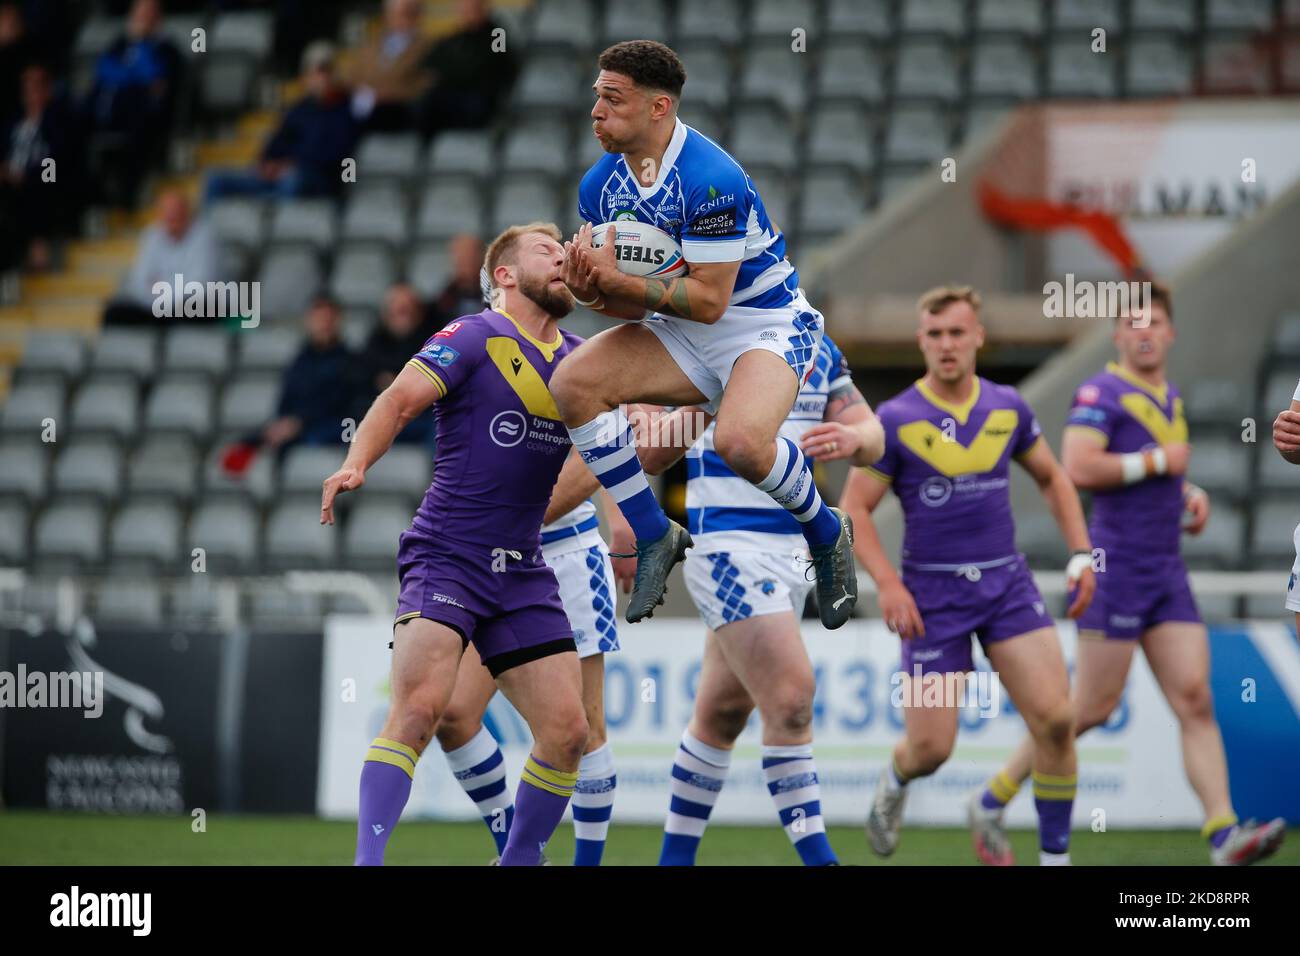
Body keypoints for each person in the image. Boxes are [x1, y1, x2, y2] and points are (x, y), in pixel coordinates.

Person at [550, 40, 857, 630]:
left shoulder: (710, 178)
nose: (597, 112)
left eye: (613, 99)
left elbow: (713, 302)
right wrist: (588, 288)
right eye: (597, 97)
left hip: (763, 323)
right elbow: (628, 310)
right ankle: (652, 532)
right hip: (682, 326)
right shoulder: (599, 186)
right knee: (573, 384)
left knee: (739, 445)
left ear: (659, 107)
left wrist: (615, 279)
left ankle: (825, 529)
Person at [979, 285, 1286, 866]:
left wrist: (1186, 494)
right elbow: (1077, 465)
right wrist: (1157, 464)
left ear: (1170, 333)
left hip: (1166, 568)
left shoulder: (1166, 394)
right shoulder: (1102, 390)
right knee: (1086, 709)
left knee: (1194, 699)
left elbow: (1158, 472)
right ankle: (992, 799)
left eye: (1155, 323)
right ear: (1118, 334)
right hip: (1114, 567)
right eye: (1133, 322)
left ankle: (1223, 836)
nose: (1144, 332)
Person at [320, 222, 593, 867]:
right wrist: (357, 461)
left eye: (564, 251)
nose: (562, 259)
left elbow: (616, 445)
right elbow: (396, 401)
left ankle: (518, 860)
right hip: (450, 552)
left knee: (568, 732)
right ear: (504, 275)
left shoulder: (583, 359)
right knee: (418, 711)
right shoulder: (475, 335)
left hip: (523, 566)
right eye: (545, 252)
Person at [839, 285, 1096, 866]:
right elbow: (854, 511)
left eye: (957, 333)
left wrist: (1082, 554)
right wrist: (890, 585)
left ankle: (1055, 859)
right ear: (921, 341)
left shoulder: (1009, 407)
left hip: (1007, 588)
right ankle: (897, 779)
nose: (946, 345)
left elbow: (1055, 480)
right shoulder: (896, 419)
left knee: (1057, 719)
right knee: (932, 749)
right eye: (934, 335)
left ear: (978, 336)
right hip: (931, 602)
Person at [644, 335, 884, 866]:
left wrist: (854, 437)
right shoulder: (713, 341)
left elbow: (874, 437)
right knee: (793, 701)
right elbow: (657, 451)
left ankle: (672, 861)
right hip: (729, 547)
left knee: (721, 715)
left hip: (796, 552)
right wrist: (698, 406)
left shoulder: (814, 343)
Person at [433, 485, 633, 866]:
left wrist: (622, 520)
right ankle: (518, 854)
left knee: (586, 728)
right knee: (453, 715)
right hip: (496, 564)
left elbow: (604, 437)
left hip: (566, 555)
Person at [203, 41, 358, 204]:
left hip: (318, 180)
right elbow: (276, 143)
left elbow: (337, 156)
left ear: (335, 73)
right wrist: (268, 164)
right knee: (216, 179)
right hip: (283, 175)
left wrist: (292, 164)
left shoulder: (347, 110)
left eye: (325, 71)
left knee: (292, 180)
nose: (321, 78)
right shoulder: (299, 109)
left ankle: (268, 219)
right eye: (314, 72)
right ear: (305, 76)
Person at [84, 0, 181, 207]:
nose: (142, 20)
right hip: (104, 110)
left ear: (158, 20)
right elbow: (103, 71)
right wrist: (133, 76)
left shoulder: (168, 49)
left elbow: (158, 83)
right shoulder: (118, 44)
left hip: (139, 115)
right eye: (138, 14)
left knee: (139, 128)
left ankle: (128, 197)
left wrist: (141, 47)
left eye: (148, 15)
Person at [0, 62, 81, 271]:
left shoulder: (58, 120)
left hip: (43, 178)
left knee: (41, 188)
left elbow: (57, 157)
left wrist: (28, 175)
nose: (30, 92)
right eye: (27, 86)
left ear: (48, 90)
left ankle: (37, 247)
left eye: (36, 86)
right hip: (10, 179)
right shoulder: (14, 122)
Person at [103, 188, 221, 326]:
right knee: (114, 313)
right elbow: (140, 280)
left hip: (190, 307)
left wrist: (161, 288)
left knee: (196, 308)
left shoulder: (205, 236)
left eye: (177, 215)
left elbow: (199, 285)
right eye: (169, 215)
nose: (173, 220)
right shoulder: (151, 236)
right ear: (160, 214)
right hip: (155, 305)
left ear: (187, 213)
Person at [415, 0, 517, 140]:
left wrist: (452, 71)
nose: (468, 12)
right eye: (465, 7)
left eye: (473, 7)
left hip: (480, 95)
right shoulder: (454, 38)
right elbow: (430, 66)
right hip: (451, 93)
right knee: (423, 105)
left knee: (474, 106)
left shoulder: (497, 34)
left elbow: (492, 64)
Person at [354, 284, 438, 446]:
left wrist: (399, 383)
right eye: (398, 310)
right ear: (386, 314)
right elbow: (359, 378)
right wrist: (378, 381)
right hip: (382, 414)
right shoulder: (374, 342)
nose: (403, 316)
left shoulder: (433, 341)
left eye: (408, 310)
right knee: (348, 427)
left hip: (421, 417)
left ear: (419, 313)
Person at [346, 0, 431, 131]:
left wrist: (385, 94)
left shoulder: (427, 47)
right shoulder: (370, 46)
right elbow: (352, 76)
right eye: (396, 14)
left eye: (407, 14)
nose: (401, 19)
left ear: (418, 16)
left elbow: (425, 84)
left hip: (401, 112)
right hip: (365, 112)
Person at [428, 233, 487, 328]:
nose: (467, 263)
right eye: (462, 258)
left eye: (472, 257)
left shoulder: (498, 295)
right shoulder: (443, 301)